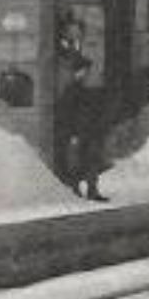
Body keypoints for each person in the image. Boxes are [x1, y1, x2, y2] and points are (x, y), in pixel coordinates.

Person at [57, 59, 110, 202]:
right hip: (77, 132)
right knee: (77, 162)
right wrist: (73, 134)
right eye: (85, 70)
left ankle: (92, 190)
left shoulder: (82, 88)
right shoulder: (71, 90)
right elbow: (67, 114)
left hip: (88, 131)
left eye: (87, 70)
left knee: (91, 160)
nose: (87, 73)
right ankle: (76, 190)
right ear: (78, 71)